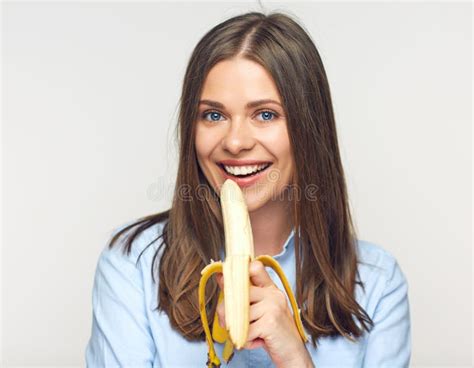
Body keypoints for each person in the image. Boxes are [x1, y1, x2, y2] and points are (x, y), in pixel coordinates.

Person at [85, 10, 411, 368]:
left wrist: (295, 359)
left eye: (266, 114)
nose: (236, 142)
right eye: (213, 115)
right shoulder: (133, 265)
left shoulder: (378, 283)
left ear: (309, 128)